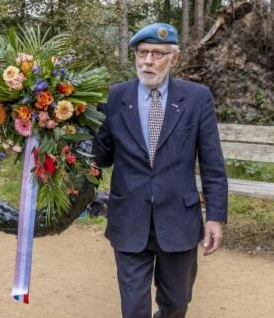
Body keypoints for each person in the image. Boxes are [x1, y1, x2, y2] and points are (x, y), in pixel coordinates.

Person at [94, 23, 228, 318]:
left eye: (158, 53)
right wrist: (72, 125)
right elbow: (102, 156)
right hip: (128, 219)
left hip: (178, 221)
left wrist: (215, 217)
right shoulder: (117, 96)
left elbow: (212, 164)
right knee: (134, 310)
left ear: (174, 58)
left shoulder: (196, 98)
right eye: (142, 53)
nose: (148, 61)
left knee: (176, 304)